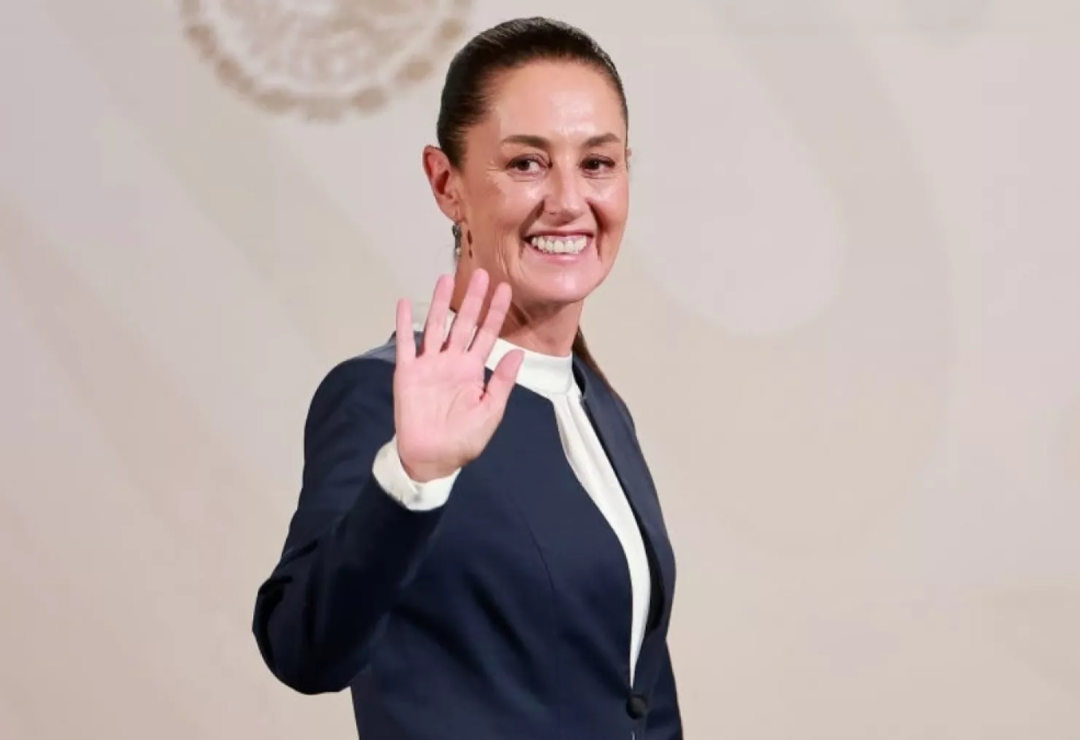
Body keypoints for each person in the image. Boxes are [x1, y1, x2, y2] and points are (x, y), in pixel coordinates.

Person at [252, 16, 682, 740]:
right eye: (527, 163)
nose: (569, 200)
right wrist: (412, 479)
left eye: (598, 163)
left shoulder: (596, 403)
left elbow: (636, 696)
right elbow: (303, 649)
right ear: (446, 183)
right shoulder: (379, 395)